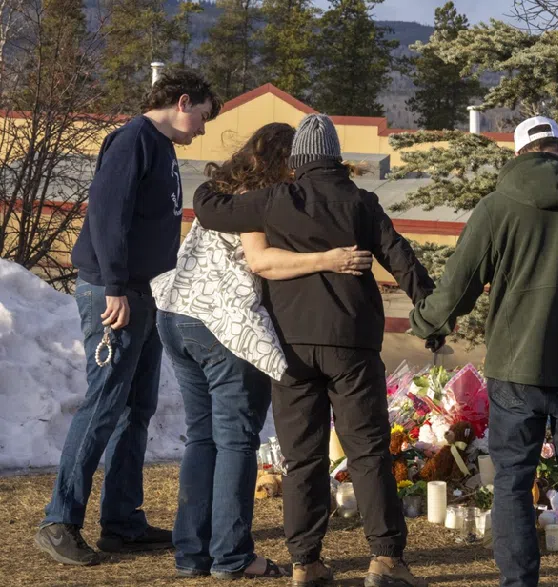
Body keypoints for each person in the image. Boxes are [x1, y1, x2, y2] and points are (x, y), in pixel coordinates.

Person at [193, 113, 438, 587]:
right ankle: (386, 559)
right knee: (367, 452)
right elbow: (403, 259)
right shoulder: (361, 203)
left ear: (298, 161)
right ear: (335, 158)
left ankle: (307, 563)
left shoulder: (274, 201)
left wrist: (229, 171)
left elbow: (207, 209)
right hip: (352, 344)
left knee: (303, 457)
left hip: (292, 347)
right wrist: (432, 315)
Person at [409, 116, 558, 587]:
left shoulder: (497, 207)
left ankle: (518, 582)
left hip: (515, 370)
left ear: (519, 153)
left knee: (513, 482)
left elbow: (458, 286)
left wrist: (426, 321)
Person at [150, 122, 373, 580]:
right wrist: (328, 259)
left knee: (203, 437)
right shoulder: (261, 194)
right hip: (222, 327)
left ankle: (192, 553)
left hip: (176, 315)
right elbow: (260, 261)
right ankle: (232, 555)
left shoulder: (226, 190)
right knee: (235, 440)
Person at [35, 68, 222, 566]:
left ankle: (121, 522)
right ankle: (59, 521)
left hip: (146, 293)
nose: (202, 128)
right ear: (183, 101)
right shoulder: (133, 142)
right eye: (202, 116)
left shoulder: (161, 148)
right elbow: (106, 215)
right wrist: (115, 285)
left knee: (137, 409)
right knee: (104, 404)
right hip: (114, 293)